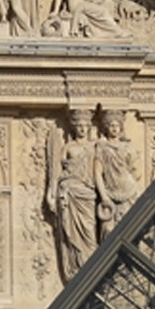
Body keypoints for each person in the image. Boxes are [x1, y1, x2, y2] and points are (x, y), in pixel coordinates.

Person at [46, 109, 98, 280]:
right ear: (74, 127)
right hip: (69, 191)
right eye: (79, 126)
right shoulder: (68, 147)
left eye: (85, 126)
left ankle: (91, 268)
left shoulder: (96, 146)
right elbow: (56, 172)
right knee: (71, 235)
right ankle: (76, 268)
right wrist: (51, 193)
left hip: (88, 194)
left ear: (90, 127)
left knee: (89, 235)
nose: (82, 129)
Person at [93, 108, 140, 242]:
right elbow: (97, 172)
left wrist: (129, 184)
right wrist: (104, 196)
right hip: (109, 194)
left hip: (128, 193)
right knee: (108, 231)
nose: (114, 128)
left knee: (129, 231)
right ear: (106, 127)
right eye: (111, 125)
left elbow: (136, 171)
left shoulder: (128, 147)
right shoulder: (102, 147)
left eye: (117, 126)